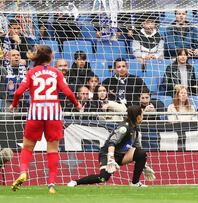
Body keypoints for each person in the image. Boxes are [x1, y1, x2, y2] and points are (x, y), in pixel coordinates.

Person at [9, 45, 82, 193]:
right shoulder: (56, 73)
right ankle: (51, 185)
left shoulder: (31, 72)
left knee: (28, 147)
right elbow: (67, 92)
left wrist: (14, 105)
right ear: (50, 57)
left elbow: (18, 92)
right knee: (53, 150)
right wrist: (77, 104)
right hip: (53, 114)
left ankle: (23, 172)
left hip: (35, 113)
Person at [67, 105, 155, 187]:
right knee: (103, 178)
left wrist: (144, 165)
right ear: (138, 116)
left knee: (141, 153)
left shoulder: (135, 130)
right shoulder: (124, 128)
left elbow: (137, 148)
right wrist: (110, 158)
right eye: (142, 114)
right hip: (107, 154)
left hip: (122, 155)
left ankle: (135, 183)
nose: (143, 117)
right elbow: (111, 142)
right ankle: (76, 182)